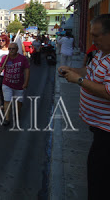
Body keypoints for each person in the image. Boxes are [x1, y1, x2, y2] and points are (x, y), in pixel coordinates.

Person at [59, 14, 110, 199]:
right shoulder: (100, 53)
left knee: (100, 180)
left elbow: (107, 92)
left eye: (96, 36)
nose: (93, 40)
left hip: (107, 133)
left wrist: (79, 81)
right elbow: (89, 71)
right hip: (99, 129)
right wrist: (73, 71)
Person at [0, 43, 30, 126]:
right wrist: (0, 69)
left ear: (17, 49)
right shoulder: (5, 58)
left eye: (13, 49)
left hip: (19, 85)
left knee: (19, 102)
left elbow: (27, 70)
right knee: (7, 100)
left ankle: (18, 112)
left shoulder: (22, 58)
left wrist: (26, 82)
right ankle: (7, 118)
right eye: (9, 49)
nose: (11, 50)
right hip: (7, 84)